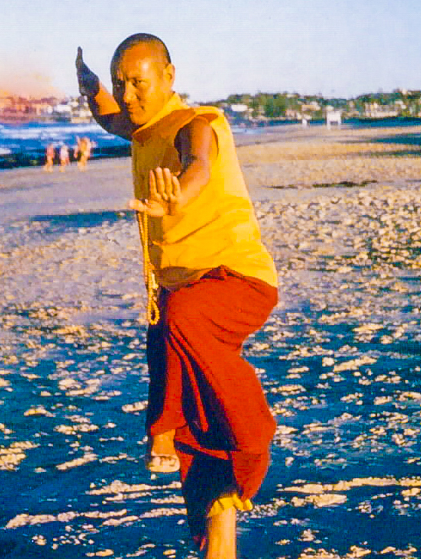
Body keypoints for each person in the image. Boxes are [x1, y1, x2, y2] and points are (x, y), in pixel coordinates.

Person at [75, 34, 278, 559]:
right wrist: (91, 88)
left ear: (169, 75)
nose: (129, 95)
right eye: (122, 84)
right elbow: (108, 118)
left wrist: (177, 197)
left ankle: (247, 441)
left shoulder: (196, 123)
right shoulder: (141, 127)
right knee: (186, 384)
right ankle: (219, 528)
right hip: (178, 289)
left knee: (181, 319)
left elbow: (200, 165)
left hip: (238, 278)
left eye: (138, 82)